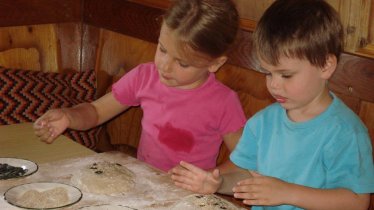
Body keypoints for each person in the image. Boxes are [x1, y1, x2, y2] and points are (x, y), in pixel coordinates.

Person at [170, 0, 374, 209]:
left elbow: (357, 201)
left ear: (325, 66)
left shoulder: (346, 132)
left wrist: (289, 193)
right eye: (268, 73)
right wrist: (218, 183)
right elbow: (246, 176)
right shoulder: (263, 122)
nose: (274, 85)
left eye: (286, 75)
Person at [33, 0, 246, 172]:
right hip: (144, 184)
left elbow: (244, 160)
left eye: (182, 63)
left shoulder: (223, 102)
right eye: (162, 49)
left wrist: (210, 179)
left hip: (188, 199)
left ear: (215, 63)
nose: (165, 66)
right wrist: (69, 117)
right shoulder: (145, 76)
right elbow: (96, 112)